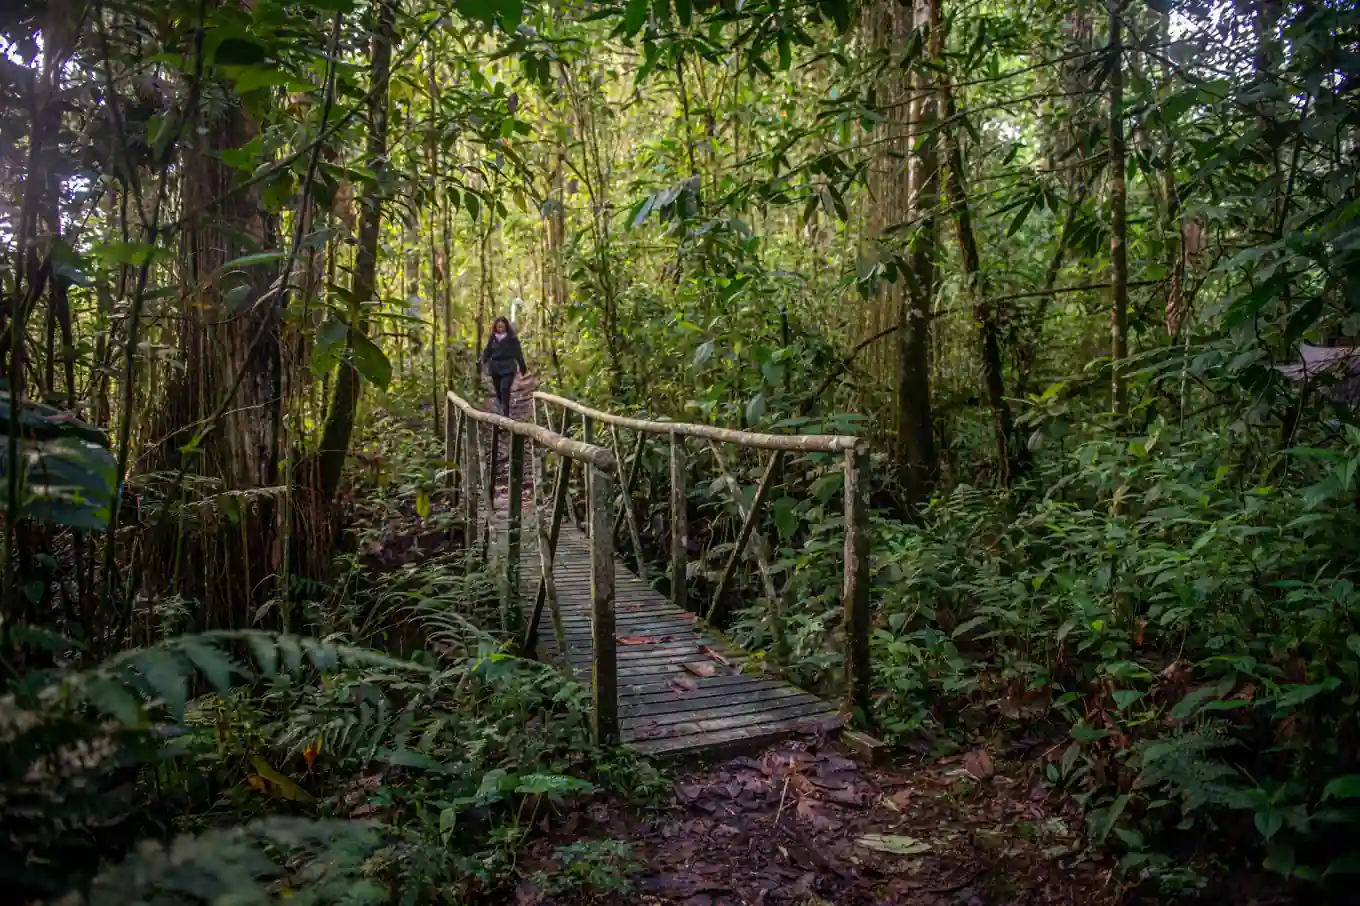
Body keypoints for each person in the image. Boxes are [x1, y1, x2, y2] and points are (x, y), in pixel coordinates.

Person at [481, 316, 527, 415]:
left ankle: (505, 411)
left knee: (504, 388)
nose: (500, 327)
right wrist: (482, 360)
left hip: (508, 367)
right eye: (499, 326)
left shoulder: (512, 338)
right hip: (495, 367)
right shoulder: (492, 338)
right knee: (498, 390)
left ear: (506, 326)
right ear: (496, 327)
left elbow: (518, 353)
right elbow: (487, 351)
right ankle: (501, 407)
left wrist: (522, 367)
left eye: (502, 325)